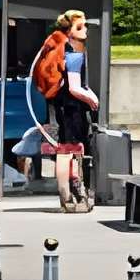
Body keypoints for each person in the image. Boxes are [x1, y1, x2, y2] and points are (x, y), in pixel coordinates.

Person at [38, 12, 96, 211]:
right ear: (69, 33)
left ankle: (69, 194)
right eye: (79, 27)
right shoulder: (74, 55)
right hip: (71, 107)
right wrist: (92, 98)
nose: (85, 30)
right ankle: (66, 197)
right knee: (66, 150)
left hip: (64, 106)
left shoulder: (65, 52)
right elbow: (74, 87)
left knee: (68, 149)